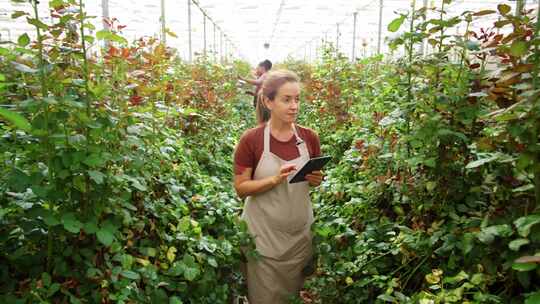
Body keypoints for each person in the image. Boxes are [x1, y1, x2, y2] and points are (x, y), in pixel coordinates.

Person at [233, 70, 324, 303]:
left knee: (292, 294)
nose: (294, 106)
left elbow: (314, 179)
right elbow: (241, 188)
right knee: (264, 296)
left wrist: (316, 179)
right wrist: (273, 180)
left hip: (298, 235)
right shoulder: (251, 140)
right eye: (286, 99)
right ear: (268, 101)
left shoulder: (309, 137)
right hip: (263, 236)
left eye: (297, 99)